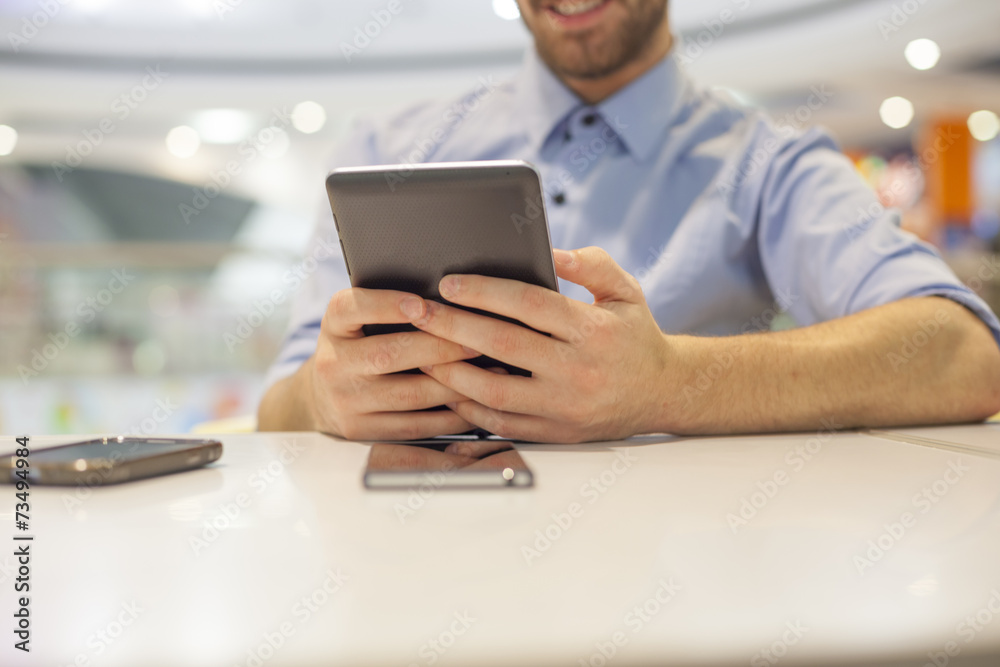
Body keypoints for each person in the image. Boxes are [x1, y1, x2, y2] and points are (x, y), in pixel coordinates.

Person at [257, 0, 1000, 442]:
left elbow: (963, 355)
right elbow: (280, 407)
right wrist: (322, 396)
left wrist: (672, 383)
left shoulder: (772, 164)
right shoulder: (382, 151)